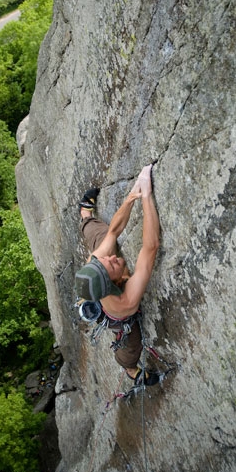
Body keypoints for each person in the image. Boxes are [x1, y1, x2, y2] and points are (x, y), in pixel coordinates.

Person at [75, 164, 161, 386]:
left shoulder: (96, 264)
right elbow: (150, 248)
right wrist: (146, 197)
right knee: (130, 346)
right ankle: (131, 371)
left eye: (106, 259)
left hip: (96, 284)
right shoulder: (125, 302)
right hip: (116, 318)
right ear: (115, 282)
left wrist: (133, 195)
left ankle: (84, 213)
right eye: (111, 265)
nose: (111, 258)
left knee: (101, 235)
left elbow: (114, 232)